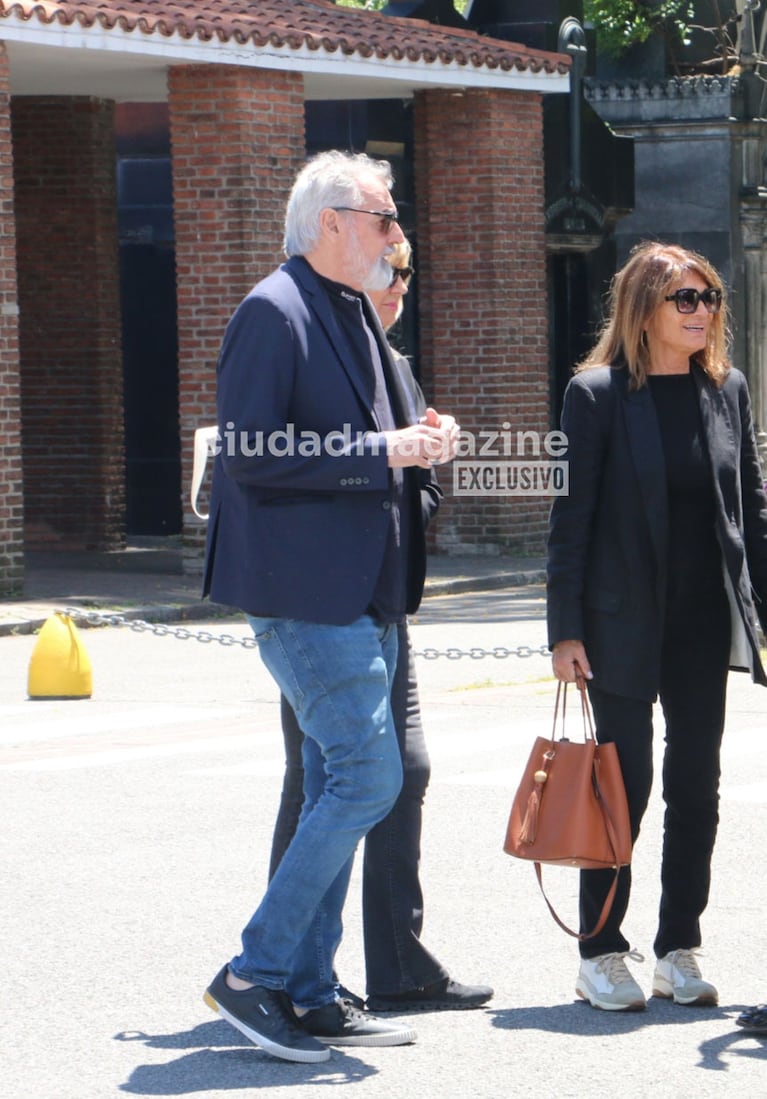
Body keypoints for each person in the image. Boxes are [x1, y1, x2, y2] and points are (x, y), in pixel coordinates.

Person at [200, 150, 461, 1063]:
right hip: (305, 593)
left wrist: (422, 440)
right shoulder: (273, 312)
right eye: (384, 218)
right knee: (367, 780)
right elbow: (253, 455)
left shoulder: (347, 310)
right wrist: (385, 449)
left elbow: (382, 434)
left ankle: (310, 989)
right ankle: (255, 971)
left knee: (335, 784)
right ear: (329, 223)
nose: (396, 236)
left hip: (366, 594)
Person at [271, 240, 493, 1013]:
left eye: (406, 274)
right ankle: (284, 973)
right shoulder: (299, 337)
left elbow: (419, 488)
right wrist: (385, 465)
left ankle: (390, 962)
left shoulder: (394, 366)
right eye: (388, 269)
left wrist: (422, 458)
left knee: (395, 771)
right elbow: (267, 458)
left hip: (383, 602)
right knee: (324, 778)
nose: (399, 285)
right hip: (320, 601)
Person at [546, 241, 767, 1012]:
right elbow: (569, 520)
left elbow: (751, 509)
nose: (703, 310)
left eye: (708, 297)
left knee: (696, 785)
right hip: (617, 623)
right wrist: (563, 629)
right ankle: (600, 951)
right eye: (685, 298)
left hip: (703, 620)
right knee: (621, 787)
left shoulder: (725, 389)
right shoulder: (596, 395)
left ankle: (678, 945)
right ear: (645, 308)